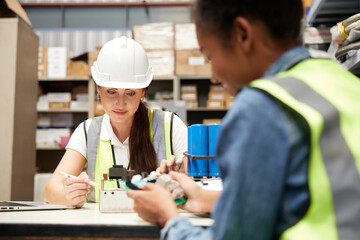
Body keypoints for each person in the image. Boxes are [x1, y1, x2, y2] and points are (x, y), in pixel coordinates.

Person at [127, 0, 360, 239]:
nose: (214, 76)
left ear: (242, 34)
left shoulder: (261, 107)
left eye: (210, 55)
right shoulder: (345, 83)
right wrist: (202, 198)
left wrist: (168, 219)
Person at [44, 37, 188, 208]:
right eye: (111, 92)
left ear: (143, 91)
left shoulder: (170, 126)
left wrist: (181, 183)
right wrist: (68, 194)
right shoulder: (88, 131)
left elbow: (198, 187)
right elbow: (50, 190)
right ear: (98, 89)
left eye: (130, 93)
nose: (120, 103)